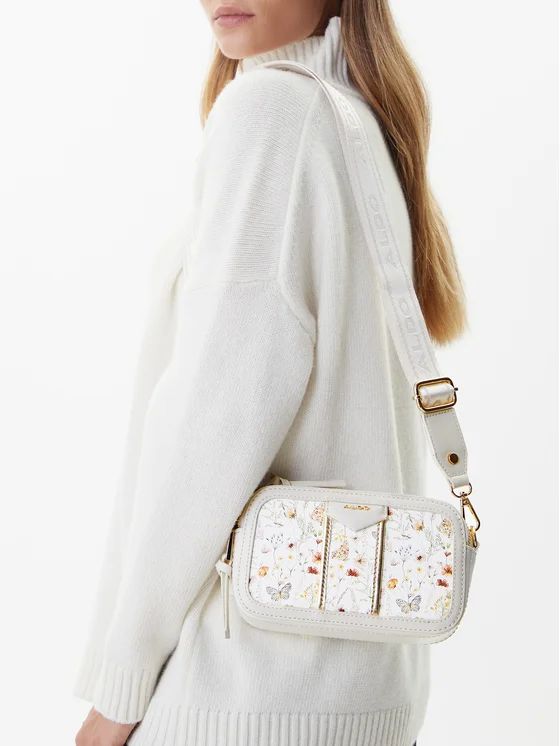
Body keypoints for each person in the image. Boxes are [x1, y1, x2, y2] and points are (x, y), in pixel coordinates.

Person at [73, 1, 467, 745]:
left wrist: (119, 689)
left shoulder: (270, 113)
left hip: (246, 693)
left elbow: (212, 428)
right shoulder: (359, 120)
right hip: (365, 693)